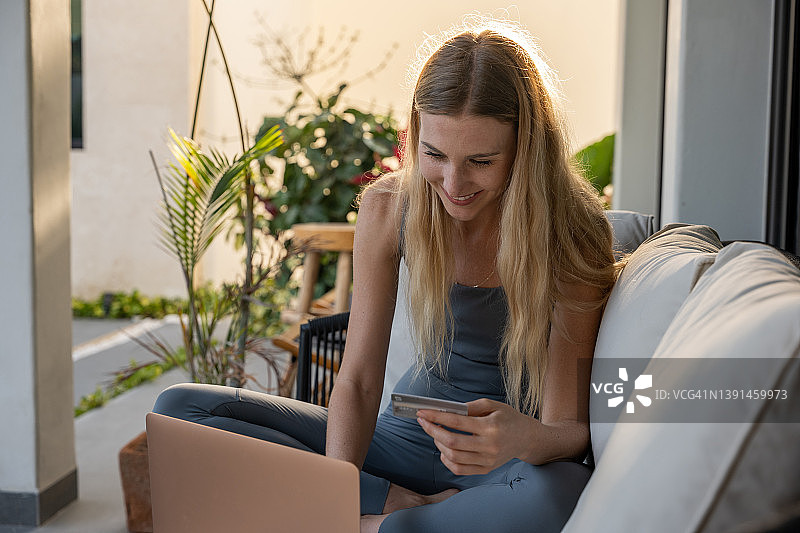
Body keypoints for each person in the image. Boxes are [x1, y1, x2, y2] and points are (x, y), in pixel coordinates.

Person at [153, 18, 617, 533]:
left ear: (526, 152)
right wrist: (347, 486)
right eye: (435, 155)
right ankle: (399, 510)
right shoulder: (388, 209)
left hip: (500, 463)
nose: (454, 183)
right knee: (179, 410)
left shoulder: (571, 235)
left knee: (561, 494)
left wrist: (523, 438)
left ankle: (384, 526)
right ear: (415, 136)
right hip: (400, 440)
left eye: (481, 161)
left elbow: (567, 428)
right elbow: (357, 379)